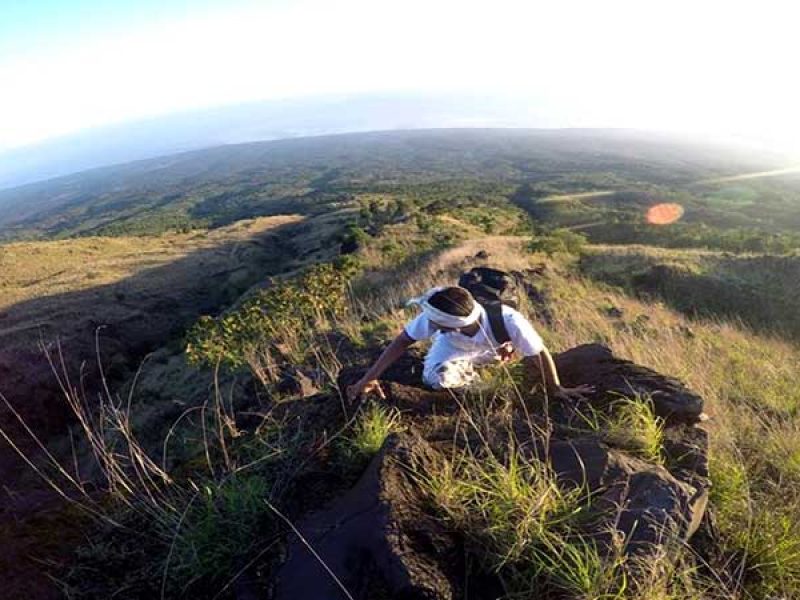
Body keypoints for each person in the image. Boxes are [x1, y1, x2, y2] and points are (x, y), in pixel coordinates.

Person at [346, 285, 593, 401]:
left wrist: (556, 388)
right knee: (436, 380)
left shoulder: (509, 321)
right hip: (452, 349)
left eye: (437, 322)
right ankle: (475, 385)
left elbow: (539, 353)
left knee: (496, 361)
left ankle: (483, 375)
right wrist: (367, 378)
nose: (430, 324)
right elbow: (401, 342)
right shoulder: (438, 322)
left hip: (491, 349)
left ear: (452, 324)